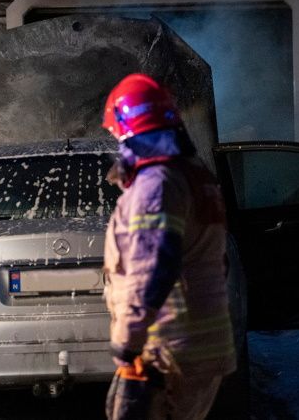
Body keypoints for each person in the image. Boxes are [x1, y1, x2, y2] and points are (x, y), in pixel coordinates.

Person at [101, 73, 235, 420]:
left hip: (168, 347)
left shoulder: (155, 185)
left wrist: (128, 342)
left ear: (128, 128)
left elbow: (151, 268)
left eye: (116, 134)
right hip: (200, 343)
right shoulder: (194, 176)